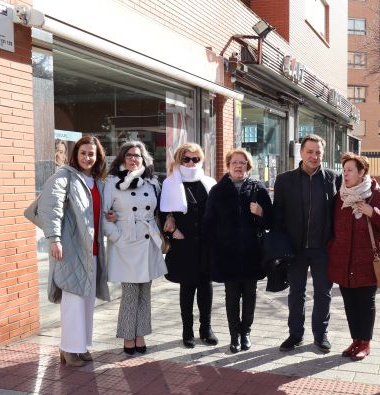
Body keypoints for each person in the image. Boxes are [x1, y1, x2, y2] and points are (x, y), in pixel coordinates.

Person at [38, 136, 109, 367]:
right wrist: (54, 239)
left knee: (87, 301)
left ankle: (80, 346)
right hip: (71, 248)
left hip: (92, 249)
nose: (87, 157)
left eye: (92, 154)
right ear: (75, 154)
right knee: (73, 300)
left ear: (98, 157)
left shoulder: (97, 181)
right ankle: (68, 349)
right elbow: (51, 209)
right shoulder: (64, 176)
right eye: (83, 153)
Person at [273, 134, 339, 353]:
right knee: (296, 294)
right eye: (310, 151)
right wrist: (280, 248)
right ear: (301, 152)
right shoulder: (284, 180)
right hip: (295, 249)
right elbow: (278, 215)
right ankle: (295, 334)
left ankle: (321, 335)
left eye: (318, 152)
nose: (314, 156)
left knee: (323, 293)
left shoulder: (333, 178)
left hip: (323, 248)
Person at [327, 153, 380, 361]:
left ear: (361, 172)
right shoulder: (340, 196)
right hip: (343, 259)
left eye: (350, 170)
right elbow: (332, 227)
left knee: (366, 302)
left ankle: (365, 343)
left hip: (367, 261)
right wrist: (332, 246)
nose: (345, 174)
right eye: (344, 170)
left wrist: (372, 212)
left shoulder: (377, 196)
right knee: (349, 303)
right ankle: (355, 340)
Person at [204, 148, 273, 353]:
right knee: (232, 295)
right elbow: (209, 223)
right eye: (234, 162)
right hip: (228, 254)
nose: (238, 166)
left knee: (250, 294)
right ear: (228, 165)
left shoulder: (258, 188)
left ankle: (246, 333)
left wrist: (261, 213)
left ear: (248, 166)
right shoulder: (218, 190)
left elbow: (271, 219)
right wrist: (213, 251)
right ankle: (234, 335)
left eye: (242, 162)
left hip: (252, 252)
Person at [103, 141, 167, 355]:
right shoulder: (111, 182)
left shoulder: (151, 182)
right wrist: (117, 237)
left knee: (144, 293)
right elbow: (103, 216)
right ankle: (128, 337)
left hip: (147, 242)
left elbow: (160, 210)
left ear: (143, 158)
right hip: (126, 244)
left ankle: (141, 335)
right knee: (130, 293)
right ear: (122, 158)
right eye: (129, 155)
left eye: (137, 155)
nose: (133, 159)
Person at [160, 143, 217, 348]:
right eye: (186, 159)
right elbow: (162, 212)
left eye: (195, 159)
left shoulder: (209, 182)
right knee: (187, 288)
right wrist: (172, 229)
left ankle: (206, 328)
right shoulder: (170, 183)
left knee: (206, 287)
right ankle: (187, 331)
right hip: (183, 245)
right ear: (178, 160)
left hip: (206, 244)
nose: (191, 163)